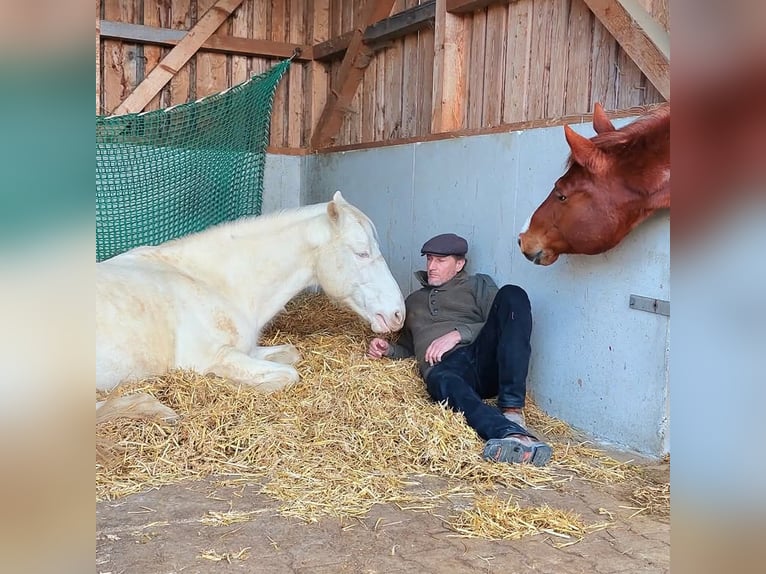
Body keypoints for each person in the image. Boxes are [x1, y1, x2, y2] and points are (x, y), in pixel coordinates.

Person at [367, 233, 552, 466]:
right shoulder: (412, 301)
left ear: (460, 264)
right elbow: (408, 347)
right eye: (430, 259)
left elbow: (503, 322)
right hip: (446, 369)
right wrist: (388, 350)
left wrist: (458, 334)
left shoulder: (476, 285)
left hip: (481, 357)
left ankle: (512, 408)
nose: (432, 267)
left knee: (513, 295)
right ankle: (511, 434)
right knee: (441, 381)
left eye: (441, 261)